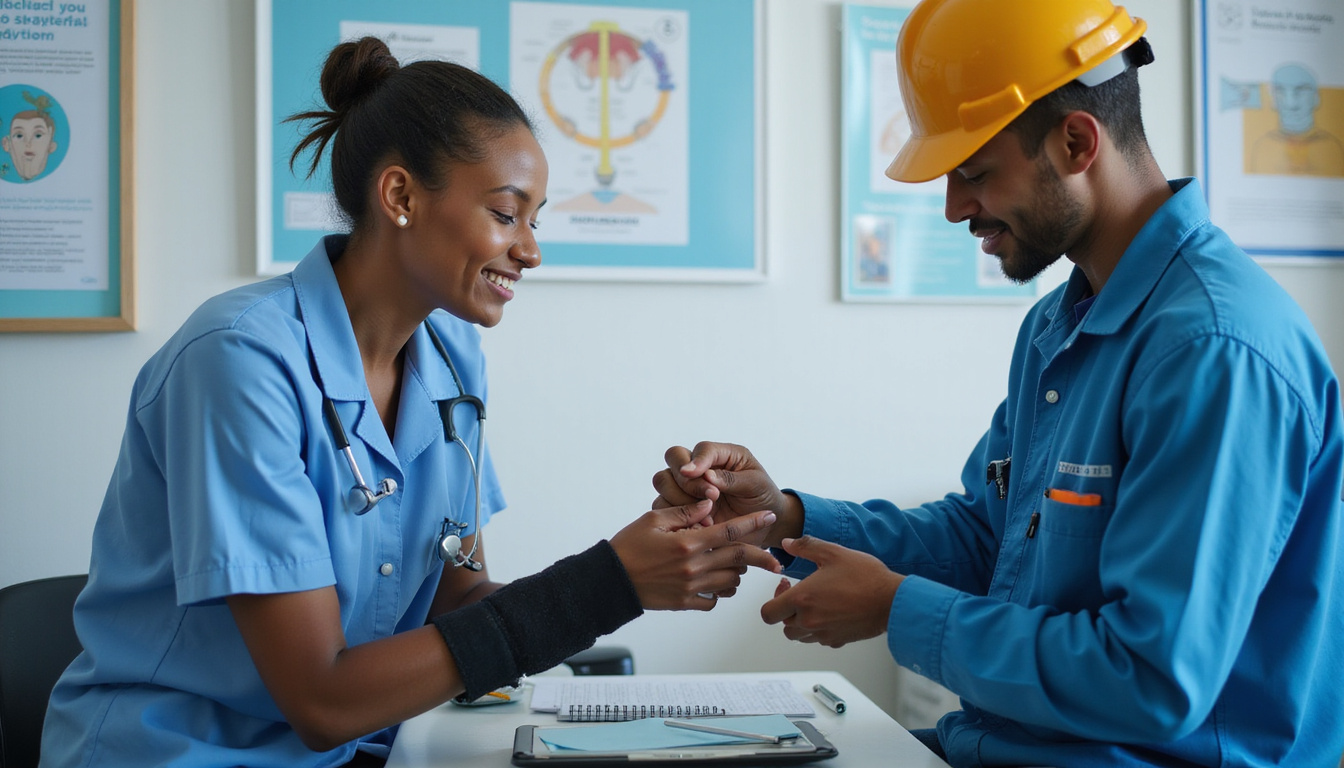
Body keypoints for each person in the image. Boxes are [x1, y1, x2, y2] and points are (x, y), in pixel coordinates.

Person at [40, 37, 779, 768]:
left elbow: (455, 602)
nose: (530, 249)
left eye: (535, 219)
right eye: (505, 212)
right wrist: (606, 583)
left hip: (364, 749)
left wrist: (653, 553)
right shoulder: (239, 361)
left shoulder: (455, 360)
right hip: (182, 753)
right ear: (399, 196)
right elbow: (322, 700)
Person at [653, 1, 1344, 766]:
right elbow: (990, 539)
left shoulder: (1214, 350)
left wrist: (895, 608)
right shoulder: (1059, 324)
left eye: (974, 173)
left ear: (1077, 141)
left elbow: (1152, 678)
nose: (954, 208)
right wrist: (785, 517)